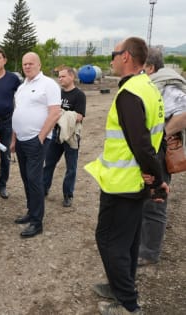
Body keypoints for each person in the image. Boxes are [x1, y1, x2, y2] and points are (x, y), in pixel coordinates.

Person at [84, 37, 169, 315]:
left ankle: (128, 305)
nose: (111, 59)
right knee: (129, 240)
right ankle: (120, 286)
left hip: (123, 183)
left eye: (114, 53)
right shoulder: (150, 88)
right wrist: (157, 177)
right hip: (135, 181)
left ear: (127, 57)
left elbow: (142, 144)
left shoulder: (130, 93)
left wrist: (156, 180)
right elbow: (160, 137)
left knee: (109, 240)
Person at [139, 47, 186, 267]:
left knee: (155, 201)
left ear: (150, 67)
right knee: (145, 198)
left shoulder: (168, 86)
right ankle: (143, 244)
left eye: (142, 67)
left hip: (159, 152)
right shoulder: (156, 83)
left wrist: (162, 134)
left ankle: (149, 252)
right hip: (151, 150)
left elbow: (184, 113)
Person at [11, 52, 61, 238]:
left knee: (34, 179)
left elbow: (55, 113)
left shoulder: (49, 85)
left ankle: (37, 222)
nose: (27, 66)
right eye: (25, 64)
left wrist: (40, 137)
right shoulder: (22, 87)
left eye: (31, 63)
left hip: (36, 140)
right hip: (22, 140)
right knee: (26, 178)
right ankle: (31, 212)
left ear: (39, 65)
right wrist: (14, 140)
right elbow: (19, 112)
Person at [43, 66, 86, 207]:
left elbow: (79, 116)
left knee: (71, 167)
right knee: (49, 164)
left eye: (63, 76)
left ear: (72, 77)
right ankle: (43, 189)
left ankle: (68, 195)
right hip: (55, 134)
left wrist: (61, 114)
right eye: (59, 76)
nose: (60, 79)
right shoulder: (57, 94)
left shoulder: (79, 95)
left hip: (71, 136)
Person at [0, 48, 21, 199]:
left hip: (7, 123)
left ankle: (2, 185)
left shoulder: (13, 79)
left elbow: (21, 98)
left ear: (4, 60)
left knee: (5, 155)